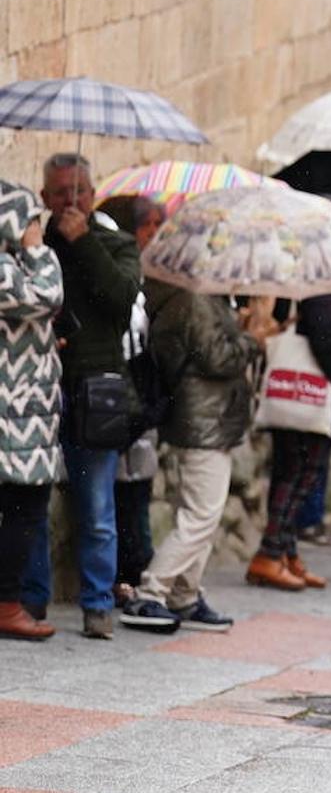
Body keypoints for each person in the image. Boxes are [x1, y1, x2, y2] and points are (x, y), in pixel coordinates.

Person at [32, 154, 139, 640]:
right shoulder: (35, 247)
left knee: (96, 505)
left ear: (93, 195)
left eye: (79, 191)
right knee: (29, 499)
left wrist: (84, 242)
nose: (70, 201)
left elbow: (120, 300)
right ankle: (30, 600)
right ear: (44, 198)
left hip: (97, 389)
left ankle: (97, 604)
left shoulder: (116, 243)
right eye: (60, 193)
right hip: (42, 385)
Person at [121, 286, 270, 633]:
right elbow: (217, 357)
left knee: (197, 514)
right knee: (201, 516)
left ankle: (184, 595)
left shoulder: (200, 299)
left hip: (206, 422)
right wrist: (251, 339)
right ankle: (151, 593)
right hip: (203, 424)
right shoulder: (196, 299)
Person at [246, 292, 331, 593]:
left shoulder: (292, 279)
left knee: (286, 468)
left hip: (287, 390)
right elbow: (325, 338)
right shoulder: (320, 286)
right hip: (310, 391)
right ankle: (269, 553)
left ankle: (285, 553)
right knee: (303, 471)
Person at [0, 184, 63, 641]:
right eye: (32, 219)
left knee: (25, 508)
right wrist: (39, 250)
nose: (38, 227)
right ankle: (5, 605)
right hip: (14, 417)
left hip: (25, 415)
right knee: (23, 508)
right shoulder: (7, 268)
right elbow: (46, 297)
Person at [99, 195, 163, 609]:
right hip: (116, 403)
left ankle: (135, 572)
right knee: (119, 501)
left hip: (141, 410)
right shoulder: (117, 275)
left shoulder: (146, 278)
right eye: (149, 226)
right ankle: (123, 578)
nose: (155, 235)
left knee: (137, 496)